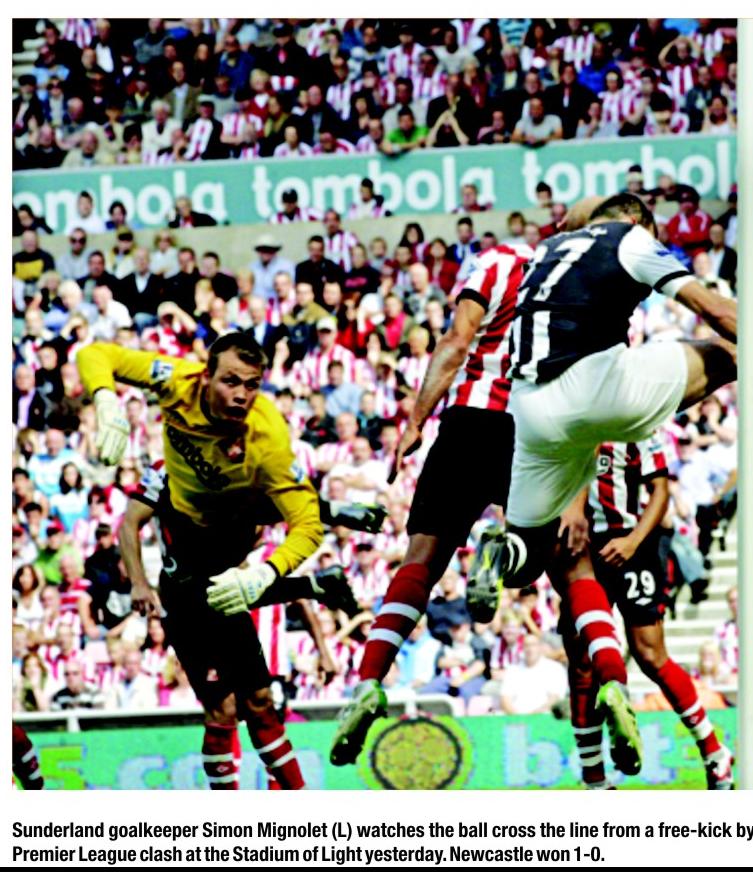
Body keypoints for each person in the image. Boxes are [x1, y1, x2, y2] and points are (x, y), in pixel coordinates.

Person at [466, 194, 753, 775]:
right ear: (636, 222)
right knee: (728, 351)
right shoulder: (629, 239)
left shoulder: (548, 249)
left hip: (531, 411)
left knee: (525, 556)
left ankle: (501, 549)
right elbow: (713, 309)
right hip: (599, 392)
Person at [77, 333, 363, 790]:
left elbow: (286, 512)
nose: (241, 395)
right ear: (207, 377)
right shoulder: (168, 454)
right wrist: (139, 584)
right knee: (224, 709)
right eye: (230, 381)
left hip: (223, 580)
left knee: (262, 703)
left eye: (251, 385)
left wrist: (327, 516)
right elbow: (129, 522)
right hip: (184, 592)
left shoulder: (260, 445)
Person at [330, 237, 533, 766]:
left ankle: (369, 680)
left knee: (420, 559)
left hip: (470, 420)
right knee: (541, 554)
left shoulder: (497, 262)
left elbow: (456, 342)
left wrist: (416, 421)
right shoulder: (562, 278)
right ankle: (503, 545)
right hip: (531, 427)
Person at [564, 437, 734, 789]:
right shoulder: (569, 419)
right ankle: (594, 779)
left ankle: (714, 752)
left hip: (632, 546)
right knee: (581, 661)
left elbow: (660, 490)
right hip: (582, 549)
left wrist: (634, 540)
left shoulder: (635, 423)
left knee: (650, 654)